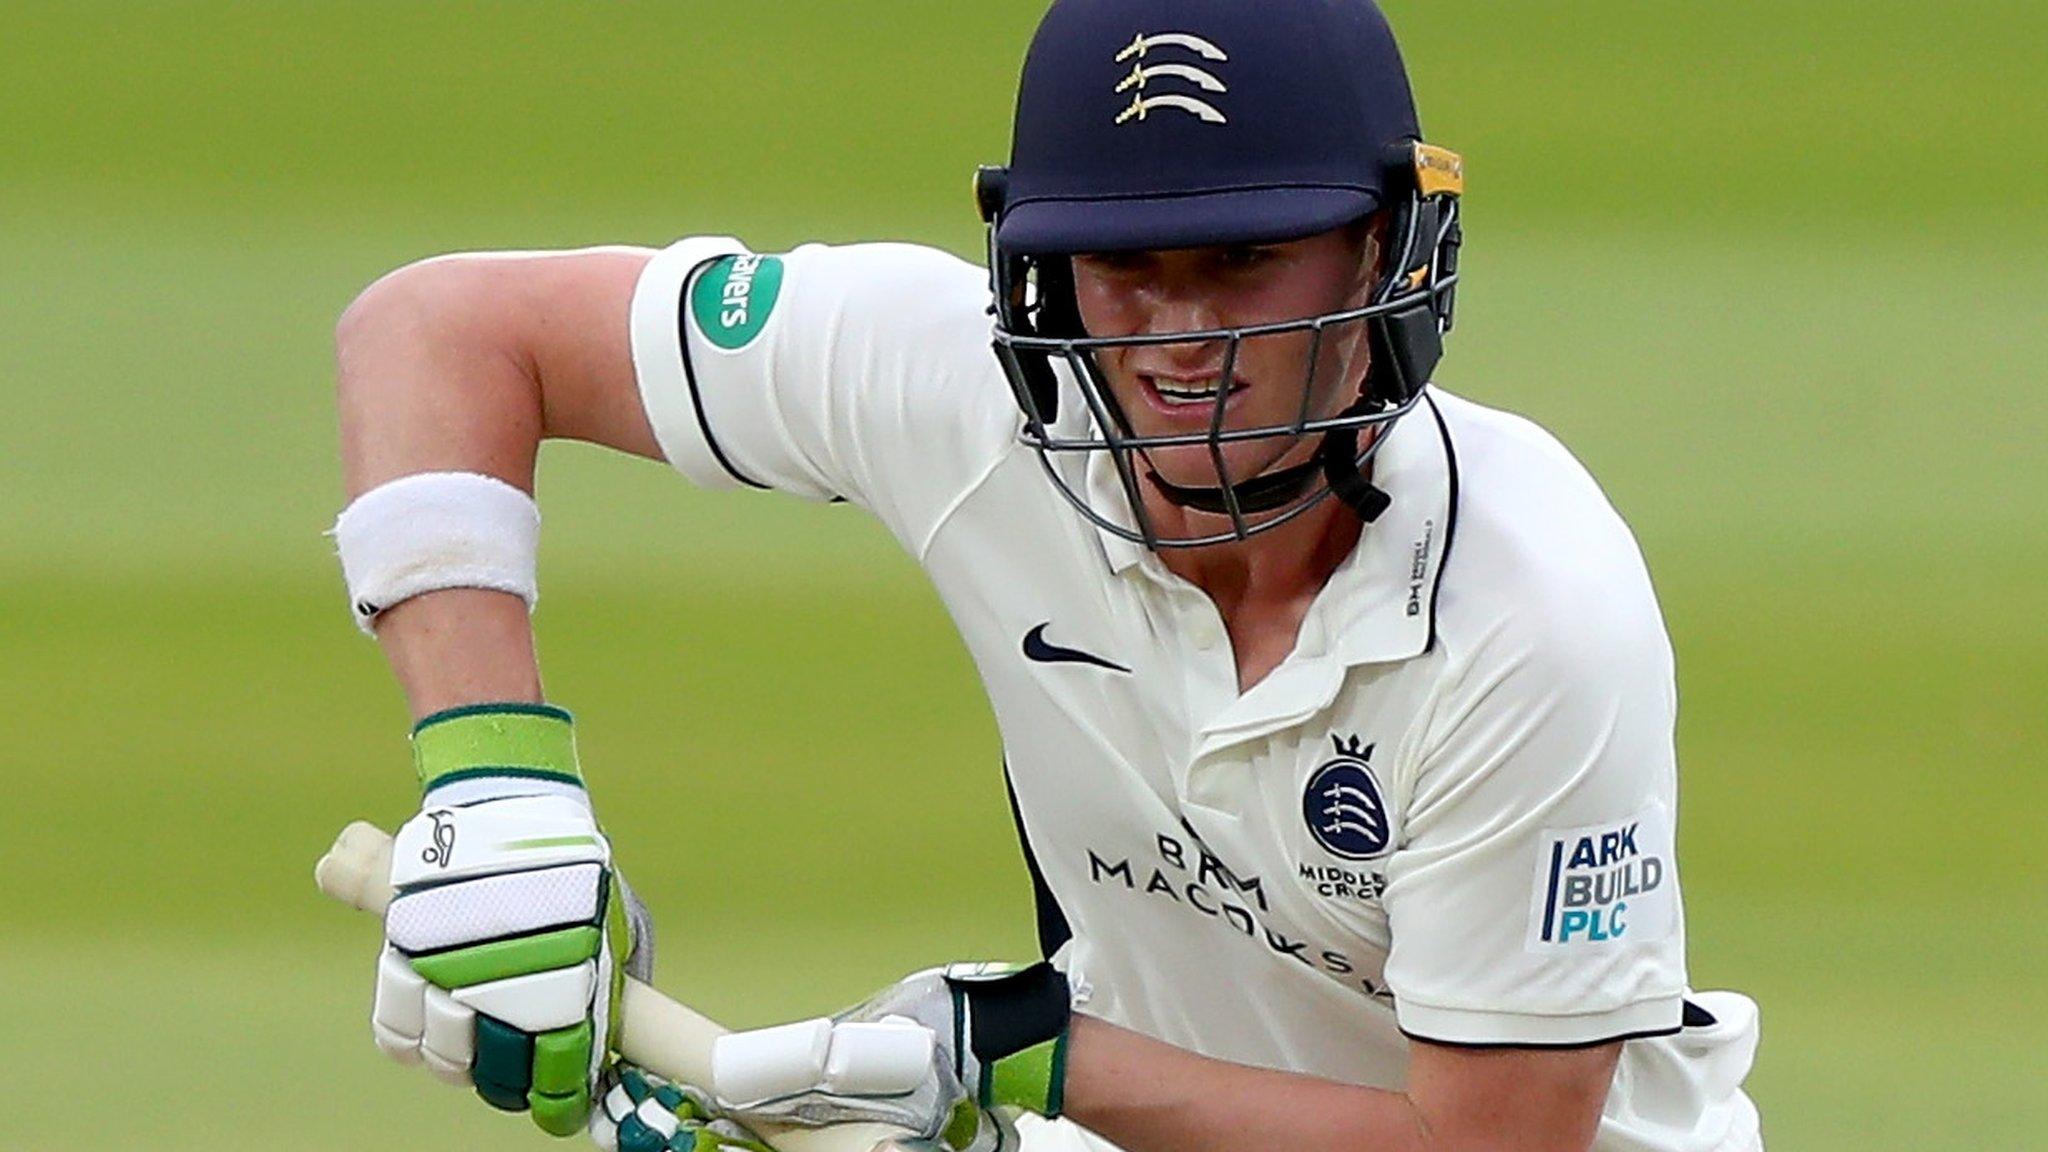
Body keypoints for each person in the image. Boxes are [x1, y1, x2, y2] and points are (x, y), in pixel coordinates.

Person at [331, 1, 1764, 1150]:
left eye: (1247, 256)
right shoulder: (953, 391)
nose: (1182, 334)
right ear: (1037, 273)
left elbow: (1488, 1149)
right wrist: (500, 795)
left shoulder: (1531, 612)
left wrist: (1018, 1061)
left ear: (1385, 248)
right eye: (1122, 265)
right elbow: (436, 333)